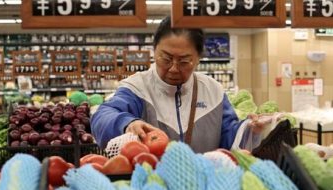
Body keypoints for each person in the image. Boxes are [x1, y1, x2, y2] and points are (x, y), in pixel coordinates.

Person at [90, 16, 266, 153]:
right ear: (154, 50)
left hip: (204, 187)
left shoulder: (213, 91)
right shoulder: (137, 88)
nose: (173, 69)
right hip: (151, 186)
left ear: (198, 58)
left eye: (184, 61)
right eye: (165, 58)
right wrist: (127, 123)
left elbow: (229, 139)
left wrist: (249, 129)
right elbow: (102, 116)